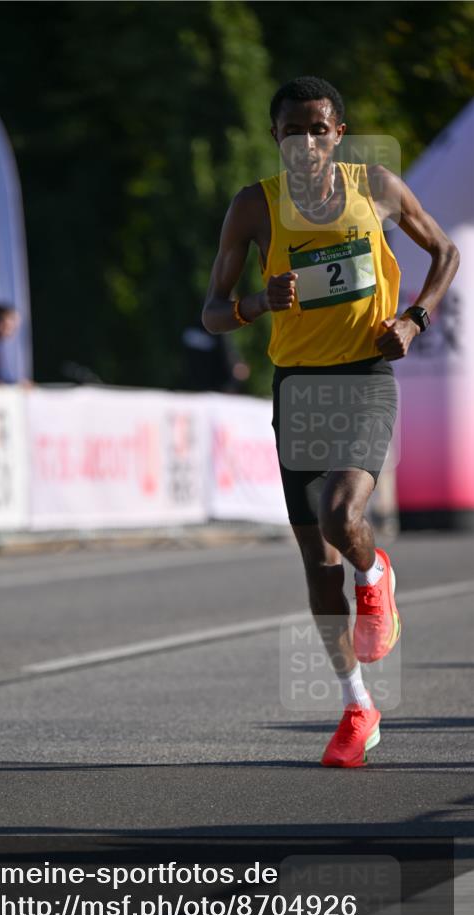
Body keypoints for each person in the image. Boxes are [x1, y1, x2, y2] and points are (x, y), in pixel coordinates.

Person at [202, 76, 459, 768]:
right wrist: (260, 303)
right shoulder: (253, 207)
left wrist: (413, 318)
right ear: (275, 137)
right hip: (296, 390)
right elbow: (212, 310)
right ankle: (356, 704)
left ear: (336, 134)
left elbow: (444, 252)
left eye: (318, 129)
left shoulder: (374, 186)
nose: (305, 143)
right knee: (317, 571)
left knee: (343, 517)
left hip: (362, 377)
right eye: (292, 131)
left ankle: (375, 573)